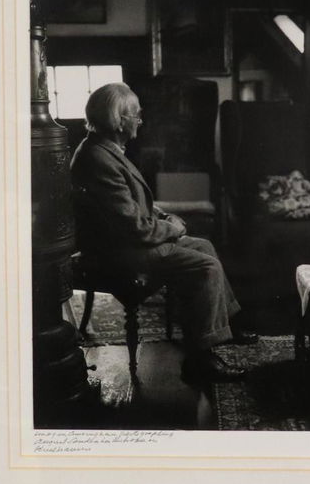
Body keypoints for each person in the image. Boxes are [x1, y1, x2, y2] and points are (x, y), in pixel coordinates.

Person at [70, 82, 255, 385]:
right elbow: (134, 227)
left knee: (204, 247)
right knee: (206, 266)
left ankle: (224, 326)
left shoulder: (103, 149)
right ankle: (200, 359)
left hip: (124, 242)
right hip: (119, 252)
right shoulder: (99, 158)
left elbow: (131, 205)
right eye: (136, 115)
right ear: (119, 120)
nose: (140, 121)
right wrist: (173, 228)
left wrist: (163, 216)